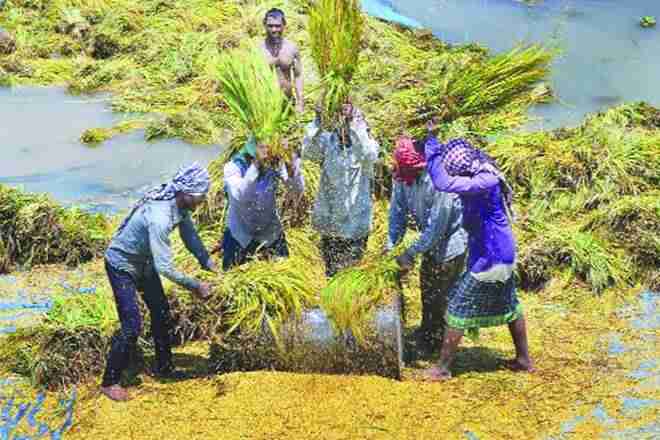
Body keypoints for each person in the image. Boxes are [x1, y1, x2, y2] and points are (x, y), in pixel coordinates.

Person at [423, 120, 534, 381]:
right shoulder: (481, 172)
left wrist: (431, 141)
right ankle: (524, 359)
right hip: (499, 253)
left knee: (458, 306)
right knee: (510, 305)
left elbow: (442, 182)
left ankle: (443, 368)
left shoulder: (484, 181)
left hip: (492, 256)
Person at [101, 163, 216, 402]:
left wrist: (208, 262)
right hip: (122, 264)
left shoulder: (180, 208)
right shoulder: (160, 218)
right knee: (132, 325)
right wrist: (195, 285)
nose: (202, 201)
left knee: (162, 312)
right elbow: (165, 267)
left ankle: (164, 367)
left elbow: (191, 237)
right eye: (200, 196)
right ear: (186, 193)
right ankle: (110, 380)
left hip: (144, 263)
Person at [386, 135, 467, 356]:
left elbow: (437, 227)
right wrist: (391, 247)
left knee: (440, 296)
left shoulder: (440, 180)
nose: (403, 177)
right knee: (427, 290)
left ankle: (440, 348)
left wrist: (410, 253)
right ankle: (427, 334)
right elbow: (397, 213)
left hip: (450, 243)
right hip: (429, 243)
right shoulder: (403, 177)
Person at [303, 98, 380, 277]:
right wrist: (318, 120)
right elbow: (308, 152)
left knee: (349, 278)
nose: (343, 128)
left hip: (355, 227)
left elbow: (369, 155)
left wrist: (355, 124)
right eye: (341, 122)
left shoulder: (366, 146)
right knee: (332, 276)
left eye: (348, 123)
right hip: (331, 226)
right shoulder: (329, 142)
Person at [220, 136, 304, 270]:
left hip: (270, 232)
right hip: (240, 235)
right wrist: (257, 165)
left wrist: (291, 167)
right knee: (232, 281)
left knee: (282, 277)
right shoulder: (233, 167)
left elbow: (296, 192)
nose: (267, 160)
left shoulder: (275, 164)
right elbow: (241, 196)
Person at [260, 8, 304, 113]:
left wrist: (300, 102)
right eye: (270, 26)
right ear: (264, 25)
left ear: (284, 25)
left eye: (278, 26)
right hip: (264, 106)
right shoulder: (258, 50)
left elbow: (298, 76)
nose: (274, 29)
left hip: (288, 103)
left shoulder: (292, 48)